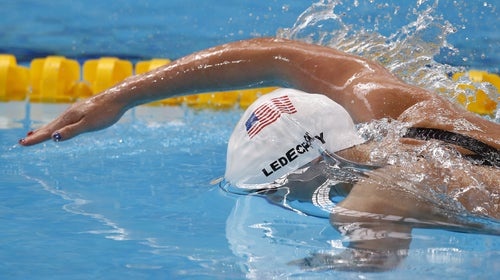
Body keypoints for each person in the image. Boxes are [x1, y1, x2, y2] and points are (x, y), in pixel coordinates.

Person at [19, 37, 499, 271]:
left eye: (276, 192)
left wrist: (305, 267)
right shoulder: (383, 101)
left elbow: (376, 264)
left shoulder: (370, 199)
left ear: (315, 168)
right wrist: (119, 96)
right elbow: (274, 55)